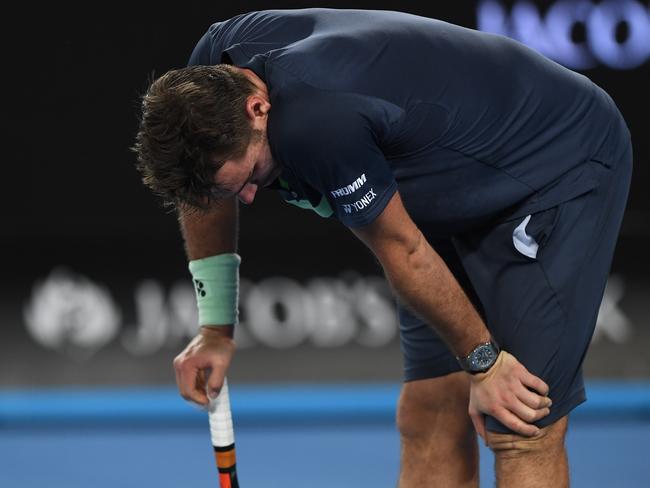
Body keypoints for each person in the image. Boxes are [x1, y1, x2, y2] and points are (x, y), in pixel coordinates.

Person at [132, 8, 632, 487]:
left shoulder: (315, 119)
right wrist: (216, 329)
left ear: (258, 108)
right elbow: (204, 194)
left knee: (521, 424)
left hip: (551, 165)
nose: (247, 197)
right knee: (430, 411)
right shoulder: (208, 78)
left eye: (252, 176)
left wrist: (486, 363)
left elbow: (405, 251)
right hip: (443, 188)